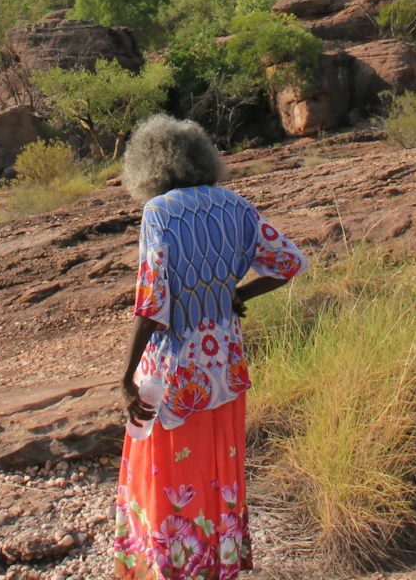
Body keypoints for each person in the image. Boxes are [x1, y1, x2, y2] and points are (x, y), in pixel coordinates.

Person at [114, 115, 307, 579]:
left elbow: (152, 303)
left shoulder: (160, 212)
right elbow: (289, 263)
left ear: (149, 167)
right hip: (224, 367)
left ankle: (170, 568)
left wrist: (125, 377)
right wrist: (239, 293)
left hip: (174, 374)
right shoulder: (235, 205)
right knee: (218, 471)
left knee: (165, 474)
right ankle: (217, 565)